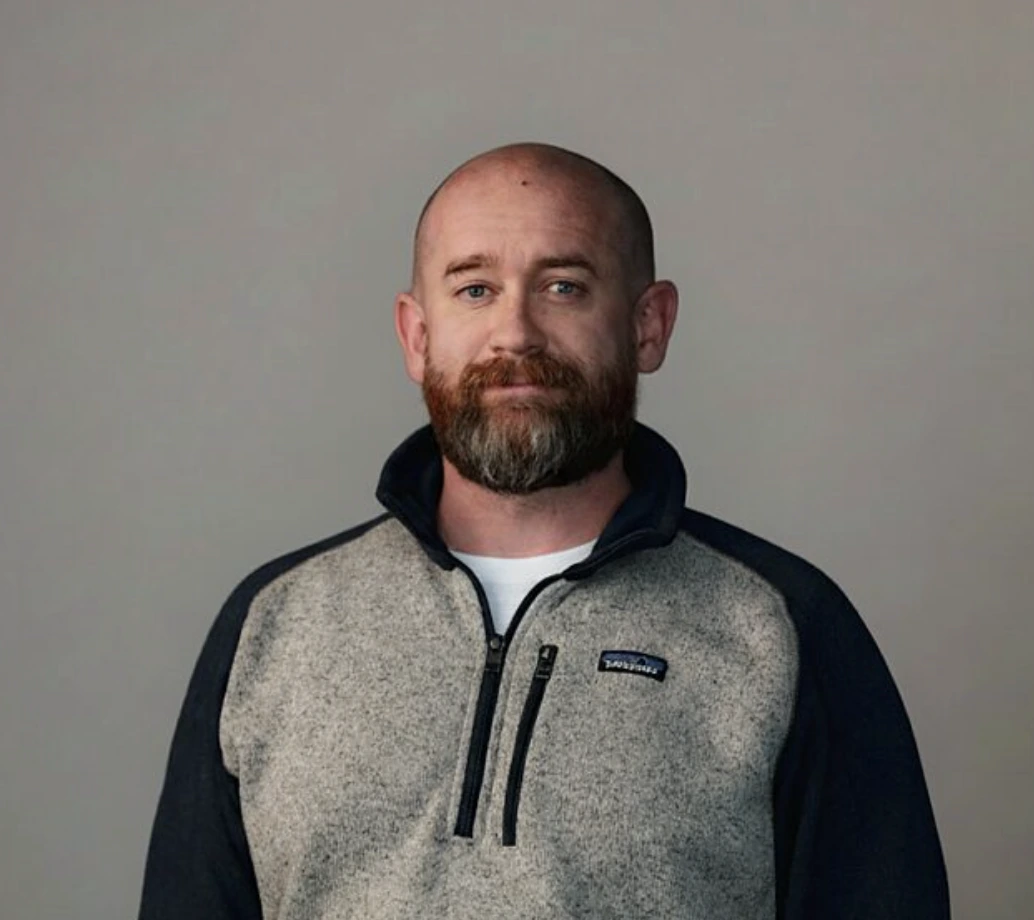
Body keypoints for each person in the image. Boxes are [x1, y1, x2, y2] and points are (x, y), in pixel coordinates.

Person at [138, 142, 950, 919]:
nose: (516, 333)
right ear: (417, 338)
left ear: (648, 326)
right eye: (474, 289)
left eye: (563, 286)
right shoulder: (275, 624)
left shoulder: (780, 627)